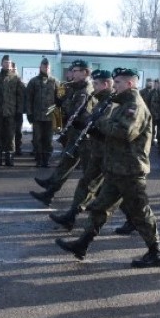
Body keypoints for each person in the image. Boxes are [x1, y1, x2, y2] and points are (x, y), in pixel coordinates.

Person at [55, 67, 160, 268]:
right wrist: (93, 130)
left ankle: (156, 252)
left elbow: (125, 133)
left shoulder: (135, 106)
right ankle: (82, 244)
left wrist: (99, 122)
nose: (114, 87)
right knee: (99, 208)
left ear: (130, 84)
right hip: (116, 169)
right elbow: (111, 136)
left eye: (119, 83)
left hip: (130, 170)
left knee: (140, 213)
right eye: (114, 83)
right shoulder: (122, 105)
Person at [49, 69, 116, 230]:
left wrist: (92, 128)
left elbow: (111, 129)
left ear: (105, 84)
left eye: (96, 83)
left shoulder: (112, 103)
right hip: (97, 151)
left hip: (110, 155)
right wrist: (84, 124)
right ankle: (71, 216)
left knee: (119, 192)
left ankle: (133, 220)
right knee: (86, 183)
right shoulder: (101, 99)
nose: (93, 85)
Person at [30, 59, 94, 205]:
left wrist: (62, 107)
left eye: (75, 71)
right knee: (66, 163)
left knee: (91, 173)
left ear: (85, 72)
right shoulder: (76, 87)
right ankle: (49, 192)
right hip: (77, 133)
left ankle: (94, 204)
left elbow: (74, 111)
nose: (71, 73)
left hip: (85, 136)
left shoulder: (85, 90)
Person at [0, 54, 24, 166]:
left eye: (8, 63)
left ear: (11, 64)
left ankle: (9, 158)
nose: (6, 64)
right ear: (1, 64)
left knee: (10, 136)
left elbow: (20, 96)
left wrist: (19, 111)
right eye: (5, 63)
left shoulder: (16, 79)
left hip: (11, 112)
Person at [25, 57, 59, 168]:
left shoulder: (55, 82)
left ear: (50, 68)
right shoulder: (33, 81)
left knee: (48, 139)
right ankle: (39, 159)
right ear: (40, 67)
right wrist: (29, 113)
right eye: (44, 66)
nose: (46, 68)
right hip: (37, 116)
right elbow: (28, 98)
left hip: (50, 117)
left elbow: (59, 100)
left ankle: (46, 160)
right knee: (37, 139)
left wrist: (58, 117)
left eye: (48, 67)